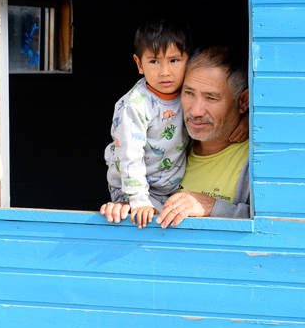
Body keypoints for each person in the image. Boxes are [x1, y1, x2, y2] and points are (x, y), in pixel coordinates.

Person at [101, 46, 250, 228]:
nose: (195, 111)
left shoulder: (256, 160)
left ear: (243, 101)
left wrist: (211, 207)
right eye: (188, 93)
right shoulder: (166, 142)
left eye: (211, 98)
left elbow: (277, 225)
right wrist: (129, 209)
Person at [101, 18, 192, 228]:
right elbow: (129, 154)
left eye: (174, 60)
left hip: (169, 187)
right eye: (154, 61)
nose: (165, 72)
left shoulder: (188, 93)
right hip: (133, 188)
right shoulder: (135, 105)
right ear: (139, 64)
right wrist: (138, 200)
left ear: (188, 60)